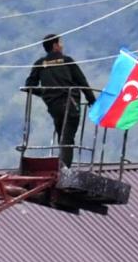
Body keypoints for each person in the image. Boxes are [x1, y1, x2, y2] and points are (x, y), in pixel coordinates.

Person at [25, 34, 96, 167]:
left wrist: (45, 92)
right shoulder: (67, 61)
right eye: (60, 43)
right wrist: (93, 100)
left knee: (61, 134)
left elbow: (29, 86)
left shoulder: (40, 64)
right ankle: (65, 169)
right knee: (67, 137)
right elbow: (82, 82)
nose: (62, 46)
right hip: (70, 104)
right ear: (55, 45)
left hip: (53, 106)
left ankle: (61, 165)